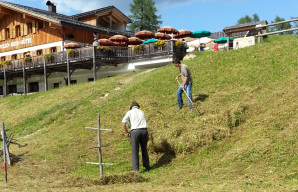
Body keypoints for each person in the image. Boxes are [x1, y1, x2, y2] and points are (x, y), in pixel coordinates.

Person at [122, 101, 150, 172]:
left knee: (135, 151)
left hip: (135, 132)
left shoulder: (129, 112)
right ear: (138, 107)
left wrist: (126, 132)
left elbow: (123, 123)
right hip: (144, 131)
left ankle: (136, 170)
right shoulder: (142, 112)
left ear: (131, 107)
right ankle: (147, 167)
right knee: (144, 149)